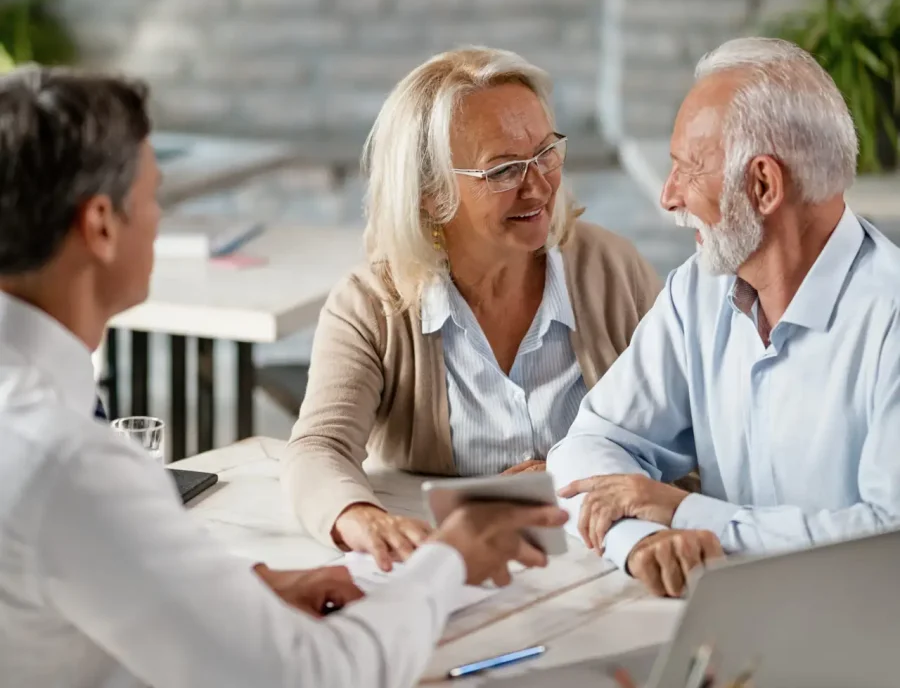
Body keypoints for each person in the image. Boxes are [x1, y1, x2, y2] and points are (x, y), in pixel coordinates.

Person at [0, 66, 568, 688]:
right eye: (153, 197)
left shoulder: (41, 424)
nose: (162, 221)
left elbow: (79, 579)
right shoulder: (71, 462)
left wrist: (243, 595)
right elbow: (312, 675)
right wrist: (448, 561)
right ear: (101, 225)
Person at [282, 47, 664, 569]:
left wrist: (581, 480)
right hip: (450, 572)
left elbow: (683, 442)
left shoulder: (613, 271)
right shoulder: (371, 304)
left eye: (546, 152)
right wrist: (360, 516)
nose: (539, 184)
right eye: (504, 169)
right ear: (430, 194)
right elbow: (317, 449)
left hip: (607, 567)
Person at [547, 37, 900, 599]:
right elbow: (586, 448)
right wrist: (640, 540)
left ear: (763, 185)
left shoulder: (890, 318)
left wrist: (688, 513)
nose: (668, 196)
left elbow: (886, 544)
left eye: (687, 169)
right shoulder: (699, 290)